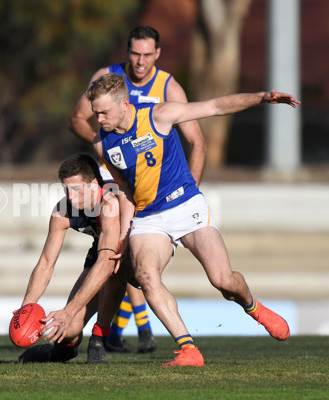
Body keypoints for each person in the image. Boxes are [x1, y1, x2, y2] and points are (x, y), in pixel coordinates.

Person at [88, 73, 298, 367]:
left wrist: (262, 97)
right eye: (95, 112)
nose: (98, 119)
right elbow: (124, 187)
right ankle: (188, 350)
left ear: (124, 103)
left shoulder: (160, 114)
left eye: (103, 112)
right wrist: (124, 234)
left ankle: (254, 308)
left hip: (185, 205)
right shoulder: (102, 142)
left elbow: (215, 107)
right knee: (147, 277)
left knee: (223, 280)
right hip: (148, 218)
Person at [69, 25, 207, 353]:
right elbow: (76, 118)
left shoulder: (168, 87)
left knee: (125, 257)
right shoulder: (108, 77)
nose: (140, 61)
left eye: (147, 54)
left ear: (157, 54)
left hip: (163, 197)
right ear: (127, 50)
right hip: (115, 182)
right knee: (117, 254)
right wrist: (109, 147)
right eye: (135, 53)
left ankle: (108, 332)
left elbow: (197, 142)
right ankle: (104, 332)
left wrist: (186, 198)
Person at [16, 153, 131, 364]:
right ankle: (60, 352)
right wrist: (27, 307)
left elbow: (107, 261)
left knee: (116, 267)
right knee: (68, 329)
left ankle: (99, 338)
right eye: (66, 189)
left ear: (94, 184)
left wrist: (69, 311)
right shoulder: (62, 210)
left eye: (76, 189)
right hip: (104, 247)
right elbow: (45, 263)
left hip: (137, 243)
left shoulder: (109, 204)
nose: (70, 197)